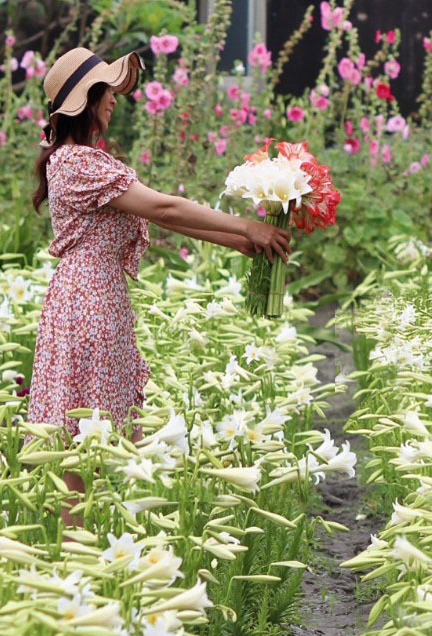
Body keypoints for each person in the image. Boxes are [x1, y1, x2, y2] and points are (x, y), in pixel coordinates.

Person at [27, 46, 291, 527]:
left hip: (87, 299)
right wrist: (247, 227)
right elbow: (166, 209)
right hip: (87, 303)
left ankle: (78, 558)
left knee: (87, 446)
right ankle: (71, 558)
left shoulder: (80, 162)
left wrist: (234, 239)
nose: (115, 99)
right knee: (79, 450)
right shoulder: (80, 164)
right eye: (108, 91)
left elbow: (157, 215)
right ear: (88, 98)